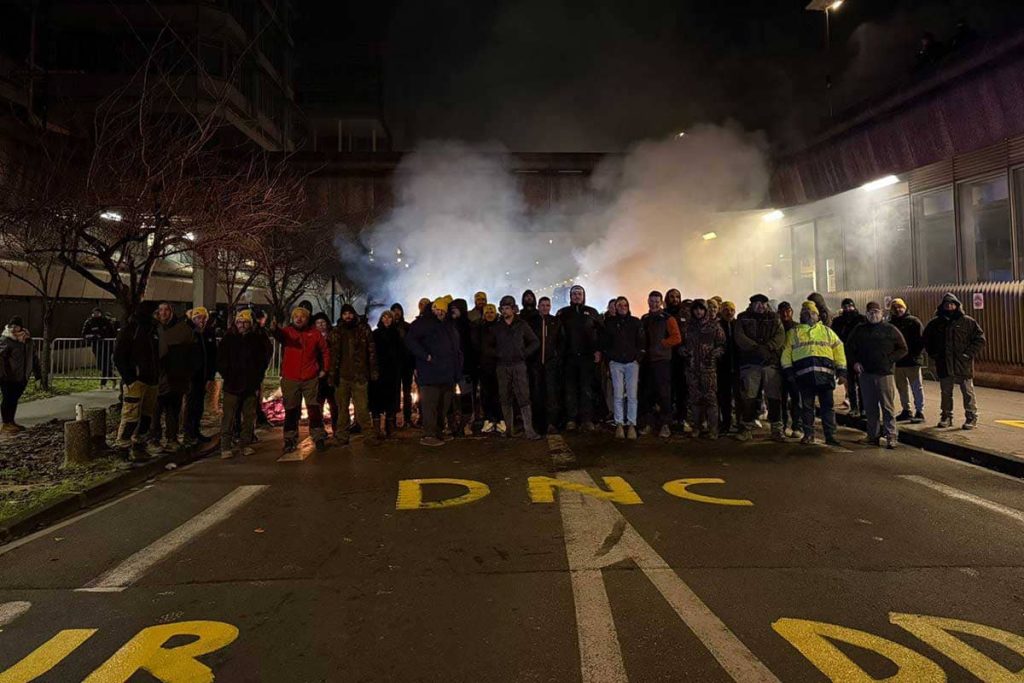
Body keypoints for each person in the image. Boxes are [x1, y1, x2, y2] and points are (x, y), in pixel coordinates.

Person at [782, 301, 846, 446]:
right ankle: (809, 434)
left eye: (811, 313)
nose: (809, 315)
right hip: (804, 377)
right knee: (807, 408)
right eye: (805, 313)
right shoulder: (794, 333)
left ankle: (830, 435)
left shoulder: (827, 331)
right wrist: (789, 371)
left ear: (817, 315)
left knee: (827, 408)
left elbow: (839, 350)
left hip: (824, 377)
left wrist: (842, 371)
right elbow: (786, 353)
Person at [845, 301, 908, 449]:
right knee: (870, 407)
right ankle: (872, 435)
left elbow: (903, 348)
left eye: (876, 312)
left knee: (887, 407)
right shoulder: (859, 330)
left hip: (884, 374)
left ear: (881, 313)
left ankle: (891, 436)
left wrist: (889, 359)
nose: (874, 315)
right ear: (866, 314)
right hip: (866, 374)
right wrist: (854, 362)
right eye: (871, 312)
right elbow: (849, 348)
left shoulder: (890, 329)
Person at [272, 306, 331, 453]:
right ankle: (290, 439)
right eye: (296, 316)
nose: (299, 319)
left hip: (310, 377)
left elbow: (325, 351)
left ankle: (318, 436)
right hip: (290, 378)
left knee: (314, 409)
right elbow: (278, 335)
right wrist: (273, 328)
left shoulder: (314, 333)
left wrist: (324, 369)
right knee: (291, 410)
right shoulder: (287, 332)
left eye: (302, 316)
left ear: (307, 319)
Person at [406, 296, 463, 447]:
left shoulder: (449, 326)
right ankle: (429, 434)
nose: (439, 312)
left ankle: (438, 432)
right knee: (430, 405)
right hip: (430, 373)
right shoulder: (422, 324)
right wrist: (426, 356)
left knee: (443, 406)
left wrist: (457, 370)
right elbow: (410, 341)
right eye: (437, 309)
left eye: (442, 309)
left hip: (448, 374)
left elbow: (455, 349)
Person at [923, 293, 986, 430]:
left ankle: (971, 416)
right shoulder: (935, 323)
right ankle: (946, 416)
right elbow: (926, 340)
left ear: (957, 305)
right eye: (947, 304)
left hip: (963, 364)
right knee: (946, 392)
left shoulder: (967, 322)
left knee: (967, 392)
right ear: (942, 306)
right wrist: (934, 355)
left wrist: (968, 354)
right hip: (944, 363)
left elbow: (980, 339)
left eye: (952, 304)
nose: (949, 307)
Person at [217, 310, 271, 458]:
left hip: (250, 384)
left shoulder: (255, 340)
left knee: (249, 416)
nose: (242, 325)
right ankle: (225, 446)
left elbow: (262, 361)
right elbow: (221, 360)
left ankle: (245, 443)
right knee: (229, 416)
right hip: (232, 384)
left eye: (245, 322)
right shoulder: (228, 339)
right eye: (239, 322)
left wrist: (257, 379)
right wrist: (228, 375)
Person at [733, 293, 786, 441]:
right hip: (750, 363)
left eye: (763, 303)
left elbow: (780, 336)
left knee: (774, 398)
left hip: (770, 363)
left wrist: (768, 347)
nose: (760, 306)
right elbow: (740, 337)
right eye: (757, 303)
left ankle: (776, 429)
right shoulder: (743, 318)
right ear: (751, 305)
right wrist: (756, 348)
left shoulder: (774, 318)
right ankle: (746, 428)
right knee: (749, 397)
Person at [113, 303, 161, 458]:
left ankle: (139, 445)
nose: (158, 315)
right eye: (156, 312)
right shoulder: (131, 329)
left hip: (151, 380)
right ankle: (123, 449)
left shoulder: (153, 330)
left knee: (146, 416)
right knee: (131, 416)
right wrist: (130, 378)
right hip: (136, 381)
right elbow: (118, 356)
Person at [493, 295, 542, 440]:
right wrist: (498, 354)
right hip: (502, 366)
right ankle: (509, 430)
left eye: (507, 308)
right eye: (503, 308)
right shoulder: (497, 327)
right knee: (505, 397)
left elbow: (535, 341)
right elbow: (488, 345)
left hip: (518, 365)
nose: (505, 311)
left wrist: (523, 354)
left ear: (513, 309)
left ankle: (529, 430)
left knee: (524, 397)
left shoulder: (522, 325)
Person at [329, 304, 378, 445]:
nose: (348, 316)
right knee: (342, 409)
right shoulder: (336, 331)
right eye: (345, 314)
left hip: (359, 376)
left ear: (354, 314)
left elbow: (371, 351)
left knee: (362, 409)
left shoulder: (363, 329)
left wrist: (373, 371)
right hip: (342, 377)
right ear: (341, 316)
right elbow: (333, 355)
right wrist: (332, 375)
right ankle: (342, 436)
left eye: (350, 313)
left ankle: (369, 436)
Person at [151, 302, 195, 452]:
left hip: (176, 376)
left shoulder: (181, 329)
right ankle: (154, 438)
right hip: (158, 376)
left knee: (173, 410)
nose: (163, 313)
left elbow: (189, 353)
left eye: (166, 310)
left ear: (171, 312)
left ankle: (171, 438)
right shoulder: (154, 329)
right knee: (156, 410)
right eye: (160, 310)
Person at [557, 285, 601, 432]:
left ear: (584, 296)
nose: (577, 296)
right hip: (568, 357)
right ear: (570, 296)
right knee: (570, 389)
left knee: (586, 389)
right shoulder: (563, 313)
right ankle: (571, 419)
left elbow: (601, 333)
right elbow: (557, 335)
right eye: (574, 294)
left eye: (579, 294)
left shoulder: (592, 312)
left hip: (587, 358)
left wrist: (598, 350)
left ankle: (587, 419)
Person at [600, 296, 644, 440]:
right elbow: (605, 343)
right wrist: (610, 358)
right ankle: (619, 424)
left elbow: (641, 341)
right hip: (616, 362)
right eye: (619, 305)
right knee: (618, 394)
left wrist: (638, 358)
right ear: (615, 307)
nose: (622, 307)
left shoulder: (635, 322)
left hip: (632, 362)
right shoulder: (609, 323)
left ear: (628, 306)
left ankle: (631, 424)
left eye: (625, 305)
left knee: (632, 395)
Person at [640, 290, 681, 439]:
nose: (654, 304)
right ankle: (649, 423)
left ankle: (665, 425)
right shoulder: (644, 318)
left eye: (657, 301)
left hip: (662, 361)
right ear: (648, 301)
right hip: (647, 361)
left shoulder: (668, 318)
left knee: (664, 393)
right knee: (647, 393)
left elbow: (676, 337)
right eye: (652, 301)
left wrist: (662, 344)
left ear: (661, 302)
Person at [683, 299, 726, 438]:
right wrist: (683, 351)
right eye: (696, 309)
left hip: (708, 369)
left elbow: (722, 345)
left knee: (710, 399)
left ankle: (713, 429)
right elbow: (681, 344)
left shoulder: (714, 327)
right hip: (692, 368)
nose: (698, 312)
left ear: (705, 310)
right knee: (695, 400)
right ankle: (697, 427)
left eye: (701, 309)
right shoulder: (688, 327)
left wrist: (713, 354)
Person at [527, 296, 563, 434]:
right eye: (542, 305)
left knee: (551, 394)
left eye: (547, 305)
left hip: (550, 364)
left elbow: (561, 341)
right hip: (535, 364)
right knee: (537, 394)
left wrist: (557, 357)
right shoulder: (531, 322)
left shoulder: (555, 321)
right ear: (538, 306)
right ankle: (538, 424)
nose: (545, 308)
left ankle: (551, 423)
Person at [183, 307, 217, 446]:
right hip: (192, 376)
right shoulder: (190, 333)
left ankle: (196, 430)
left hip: (203, 376)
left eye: (204, 318)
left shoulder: (207, 334)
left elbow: (212, 356)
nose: (201, 321)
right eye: (198, 318)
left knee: (199, 405)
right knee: (190, 405)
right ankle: (188, 432)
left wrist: (210, 376)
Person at [0, 316, 40, 435]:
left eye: (16, 326)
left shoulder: (28, 341)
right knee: (7, 399)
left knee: (14, 399)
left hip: (22, 376)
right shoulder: (6, 339)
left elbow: (33, 358)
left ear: (21, 327)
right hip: (8, 377)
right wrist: (2, 374)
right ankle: (5, 423)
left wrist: (38, 374)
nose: (13, 328)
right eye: (11, 326)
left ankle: (11, 421)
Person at [889, 298, 926, 424]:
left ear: (905, 308)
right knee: (902, 387)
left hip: (912, 361)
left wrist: (916, 355)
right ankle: (906, 410)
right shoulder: (891, 324)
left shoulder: (914, 322)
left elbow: (921, 340)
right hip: (899, 362)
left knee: (916, 387)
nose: (898, 310)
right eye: (895, 308)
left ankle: (919, 411)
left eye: (900, 307)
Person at [370, 310, 403, 439]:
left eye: (389, 317)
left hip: (392, 372)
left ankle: (390, 428)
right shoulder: (375, 334)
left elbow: (400, 353)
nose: (386, 320)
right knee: (376, 401)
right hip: (378, 372)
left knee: (391, 401)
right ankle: (376, 429)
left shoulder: (396, 334)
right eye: (384, 317)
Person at [832, 298, 867, 417]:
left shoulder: (861, 319)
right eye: (845, 307)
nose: (847, 309)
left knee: (862, 383)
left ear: (854, 306)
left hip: (860, 355)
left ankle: (863, 408)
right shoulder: (838, 321)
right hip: (845, 355)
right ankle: (854, 407)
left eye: (849, 306)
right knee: (850, 383)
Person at [473, 303, 503, 433]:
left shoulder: (501, 327)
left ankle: (500, 419)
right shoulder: (479, 328)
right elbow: (476, 345)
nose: (489, 315)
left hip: (499, 365)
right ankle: (489, 419)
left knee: (499, 393)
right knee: (486, 394)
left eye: (491, 312)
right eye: (487, 313)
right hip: (484, 366)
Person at [446, 298, 474, 436]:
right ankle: (451, 425)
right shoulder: (447, 326)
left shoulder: (468, 326)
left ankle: (465, 424)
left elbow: (472, 347)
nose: (453, 311)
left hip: (465, 368)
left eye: (455, 308)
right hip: (449, 368)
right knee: (449, 398)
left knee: (466, 397)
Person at [311, 313, 340, 438]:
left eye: (323, 322)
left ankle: (337, 428)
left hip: (332, 375)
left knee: (334, 404)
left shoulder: (333, 337)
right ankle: (320, 429)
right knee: (318, 404)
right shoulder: (312, 337)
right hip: (317, 375)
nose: (321, 325)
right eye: (318, 323)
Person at [665, 288, 689, 431]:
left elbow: (688, 333)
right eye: (672, 297)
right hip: (667, 356)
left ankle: (682, 418)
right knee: (668, 389)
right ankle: (668, 419)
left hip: (682, 357)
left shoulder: (685, 314)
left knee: (682, 389)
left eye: (677, 297)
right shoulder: (663, 315)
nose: (675, 299)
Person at [776, 302, 802, 437]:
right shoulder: (775, 328)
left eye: (788, 311)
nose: (785, 314)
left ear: (792, 311)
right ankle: (783, 425)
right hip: (779, 368)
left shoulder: (797, 328)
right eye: (782, 311)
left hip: (794, 368)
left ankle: (797, 426)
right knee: (781, 399)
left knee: (796, 398)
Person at [390, 303, 416, 428]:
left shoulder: (408, 327)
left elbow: (412, 345)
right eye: (394, 310)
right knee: (394, 392)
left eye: (398, 310)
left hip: (407, 364)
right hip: (394, 365)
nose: (396, 313)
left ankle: (408, 419)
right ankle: (392, 419)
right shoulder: (389, 328)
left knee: (407, 392)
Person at [717, 301, 739, 434]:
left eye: (731, 310)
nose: (729, 312)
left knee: (739, 397)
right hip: (722, 367)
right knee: (724, 397)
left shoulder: (738, 325)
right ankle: (726, 423)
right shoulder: (717, 326)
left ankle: (740, 423)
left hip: (737, 366)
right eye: (725, 309)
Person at [82, 307, 116, 387]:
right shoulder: (89, 322)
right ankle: (112, 377)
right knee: (101, 365)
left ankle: (103, 383)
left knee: (106, 364)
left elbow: (112, 333)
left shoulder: (105, 321)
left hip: (107, 346)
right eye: (95, 313)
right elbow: (84, 334)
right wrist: (92, 336)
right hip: (96, 346)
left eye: (98, 313)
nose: (96, 314)